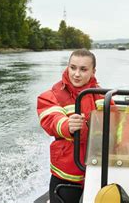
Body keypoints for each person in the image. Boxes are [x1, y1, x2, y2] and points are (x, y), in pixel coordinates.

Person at [37, 49, 104, 203]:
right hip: (66, 174)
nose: (76, 74)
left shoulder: (103, 96)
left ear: (93, 71)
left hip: (97, 171)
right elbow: (50, 120)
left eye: (83, 69)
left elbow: (117, 126)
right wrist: (67, 125)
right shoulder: (50, 95)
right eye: (73, 68)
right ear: (67, 67)